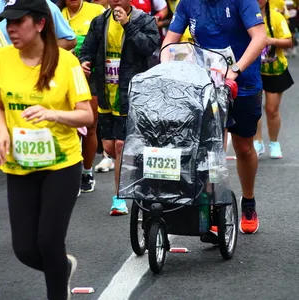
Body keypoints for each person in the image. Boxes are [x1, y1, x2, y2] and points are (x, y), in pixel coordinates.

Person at [0, 0, 93, 299]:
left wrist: (54, 114)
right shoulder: (2, 58)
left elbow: (87, 116)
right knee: (24, 249)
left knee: (50, 241)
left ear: (40, 24)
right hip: (19, 165)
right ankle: (61, 268)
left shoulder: (66, 63)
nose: (10, 28)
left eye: (18, 21)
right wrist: (1, 129)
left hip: (61, 165)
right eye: (6, 22)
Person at [161, 0, 267, 234]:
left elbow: (260, 37)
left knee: (244, 147)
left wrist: (235, 69)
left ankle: (248, 201)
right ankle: (213, 206)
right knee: (209, 148)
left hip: (243, 82)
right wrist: (164, 69)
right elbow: (170, 41)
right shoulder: (188, 3)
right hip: (205, 85)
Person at [79, 0, 160, 215]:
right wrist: (84, 62)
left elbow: (149, 48)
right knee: (108, 147)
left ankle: (119, 198)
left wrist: (127, 25)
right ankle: (132, 171)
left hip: (131, 93)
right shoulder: (100, 22)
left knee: (120, 146)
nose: (115, 0)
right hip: (106, 93)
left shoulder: (144, 20)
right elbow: (87, 49)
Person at [59, 0, 105, 193]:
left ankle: (87, 172)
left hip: (91, 73)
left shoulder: (96, 11)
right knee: (69, 126)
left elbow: (105, 41)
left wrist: (87, 61)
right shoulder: (56, 13)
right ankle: (70, 173)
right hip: (64, 75)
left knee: (90, 124)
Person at [254, 0, 293, 158]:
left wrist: (270, 41)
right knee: (254, 109)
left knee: (271, 110)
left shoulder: (277, 17)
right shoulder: (245, 16)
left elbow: (289, 41)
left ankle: (274, 143)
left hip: (275, 70)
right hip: (253, 70)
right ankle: (257, 142)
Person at [0, 0, 77, 49]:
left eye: (19, 21)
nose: (10, 28)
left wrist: (38, 52)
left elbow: (70, 40)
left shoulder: (45, 6)